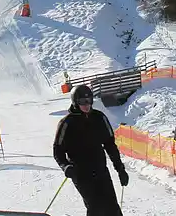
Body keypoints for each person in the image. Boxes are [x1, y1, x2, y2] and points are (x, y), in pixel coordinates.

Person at [53, 85, 129, 216]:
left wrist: (120, 169)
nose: (86, 105)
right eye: (82, 102)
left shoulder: (99, 118)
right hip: (81, 173)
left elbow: (110, 145)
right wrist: (65, 166)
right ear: (75, 102)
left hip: (100, 170)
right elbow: (57, 150)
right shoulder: (67, 123)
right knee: (96, 207)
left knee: (112, 208)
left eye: (89, 101)